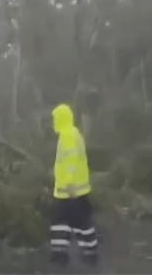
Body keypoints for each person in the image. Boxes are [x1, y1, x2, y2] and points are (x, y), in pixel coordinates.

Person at [48, 103, 100, 268]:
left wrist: (69, 183)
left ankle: (85, 255)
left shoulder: (68, 135)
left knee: (75, 222)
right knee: (69, 222)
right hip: (72, 191)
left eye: (55, 118)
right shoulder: (70, 133)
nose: (53, 122)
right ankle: (65, 254)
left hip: (71, 191)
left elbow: (70, 161)